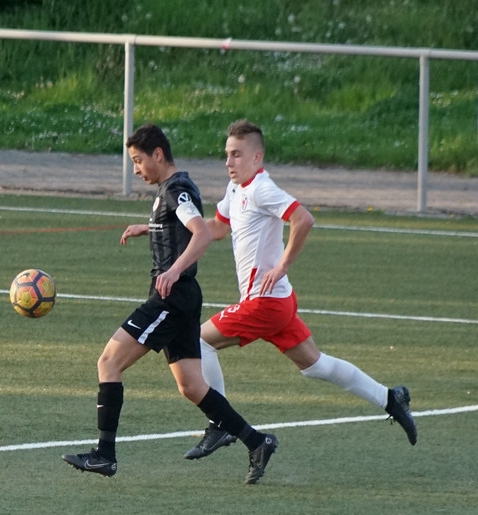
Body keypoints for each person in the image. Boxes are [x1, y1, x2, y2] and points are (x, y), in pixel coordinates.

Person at [183, 119, 417, 460]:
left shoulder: (261, 188)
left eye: (237, 155)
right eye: (227, 154)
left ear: (257, 157)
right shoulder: (236, 189)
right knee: (316, 365)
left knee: (199, 341)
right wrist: (161, 227)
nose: (228, 162)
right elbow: (218, 227)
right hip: (278, 302)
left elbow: (303, 218)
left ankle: (220, 423)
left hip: (264, 303)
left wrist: (282, 266)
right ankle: (390, 398)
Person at [63, 123, 279, 485]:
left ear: (158, 154)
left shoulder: (175, 189)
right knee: (192, 386)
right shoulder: (173, 189)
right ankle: (257, 442)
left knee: (108, 362)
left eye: (138, 160)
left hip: (171, 297)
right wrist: (149, 227)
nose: (136, 169)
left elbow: (201, 233)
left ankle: (104, 455)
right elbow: (182, 226)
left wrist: (174, 270)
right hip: (184, 296)